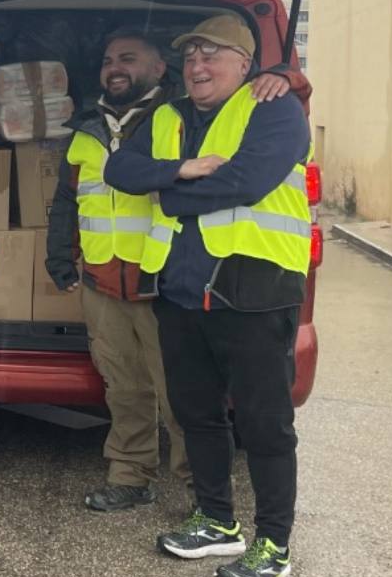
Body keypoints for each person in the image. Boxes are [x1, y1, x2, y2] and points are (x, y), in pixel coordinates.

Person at [105, 14, 314, 577]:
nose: (199, 65)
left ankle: (274, 543)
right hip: (180, 292)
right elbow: (120, 168)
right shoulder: (167, 116)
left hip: (255, 292)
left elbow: (246, 182)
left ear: (245, 65)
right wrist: (179, 168)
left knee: (264, 422)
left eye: (214, 54)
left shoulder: (273, 110)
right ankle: (218, 521)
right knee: (195, 415)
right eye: (191, 55)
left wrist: (166, 193)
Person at [49, 31, 299, 512]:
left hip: (160, 276)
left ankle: (200, 493)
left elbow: (245, 167)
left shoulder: (182, 112)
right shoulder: (87, 127)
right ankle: (130, 476)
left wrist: (286, 75)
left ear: (160, 69)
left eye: (128, 58)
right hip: (103, 277)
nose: (114, 67)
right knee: (123, 387)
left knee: (183, 397)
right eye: (107, 60)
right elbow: (70, 199)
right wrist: (60, 257)